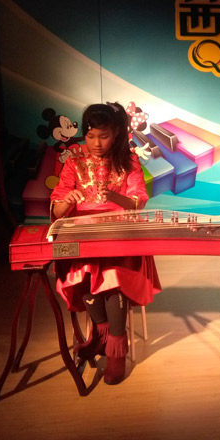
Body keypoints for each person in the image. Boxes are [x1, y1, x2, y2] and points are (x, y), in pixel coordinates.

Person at [50, 101, 161, 384]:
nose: (97, 144)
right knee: (84, 271)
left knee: (113, 276)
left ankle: (116, 351)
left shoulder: (129, 160)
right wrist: (67, 201)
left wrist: (113, 196)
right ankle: (101, 334)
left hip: (120, 236)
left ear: (116, 134)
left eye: (104, 136)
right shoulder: (74, 161)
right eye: (90, 136)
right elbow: (57, 210)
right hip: (84, 236)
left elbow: (137, 203)